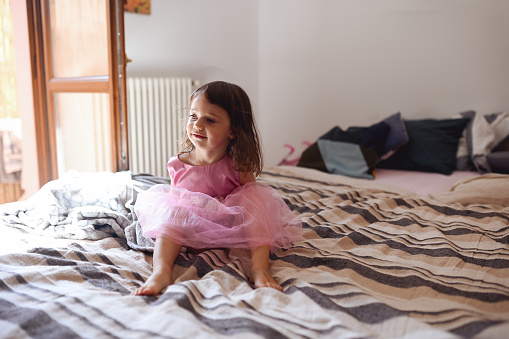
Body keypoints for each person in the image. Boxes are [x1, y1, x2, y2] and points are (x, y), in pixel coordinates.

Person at [133, 81, 303, 296]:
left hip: (229, 227)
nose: (197, 125)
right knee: (174, 211)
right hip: (191, 230)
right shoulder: (178, 164)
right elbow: (176, 201)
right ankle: (161, 271)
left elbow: (252, 203)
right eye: (193, 116)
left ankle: (260, 268)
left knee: (256, 204)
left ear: (232, 130)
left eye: (210, 120)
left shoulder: (237, 166)